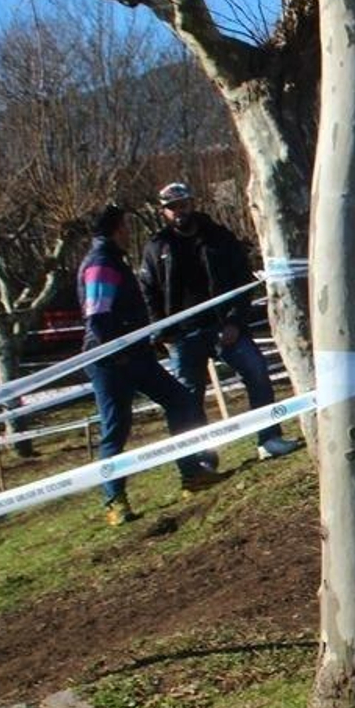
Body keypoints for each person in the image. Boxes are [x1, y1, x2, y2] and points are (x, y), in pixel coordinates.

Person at [138, 182, 303, 464]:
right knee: (188, 398)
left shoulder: (219, 237)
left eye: (182, 204)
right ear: (163, 211)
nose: (179, 211)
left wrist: (235, 322)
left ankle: (269, 439)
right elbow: (148, 291)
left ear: (192, 203)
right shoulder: (156, 247)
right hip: (182, 335)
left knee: (257, 372)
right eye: (172, 207)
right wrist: (162, 332)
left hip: (224, 327)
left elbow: (242, 280)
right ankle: (204, 457)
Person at [80, 205, 221, 526]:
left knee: (181, 401)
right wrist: (115, 352)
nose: (128, 233)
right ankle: (114, 501)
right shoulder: (101, 263)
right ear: (116, 229)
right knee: (116, 428)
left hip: (135, 354)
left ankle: (191, 474)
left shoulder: (112, 259)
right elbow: (97, 316)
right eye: (125, 227)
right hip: (111, 360)